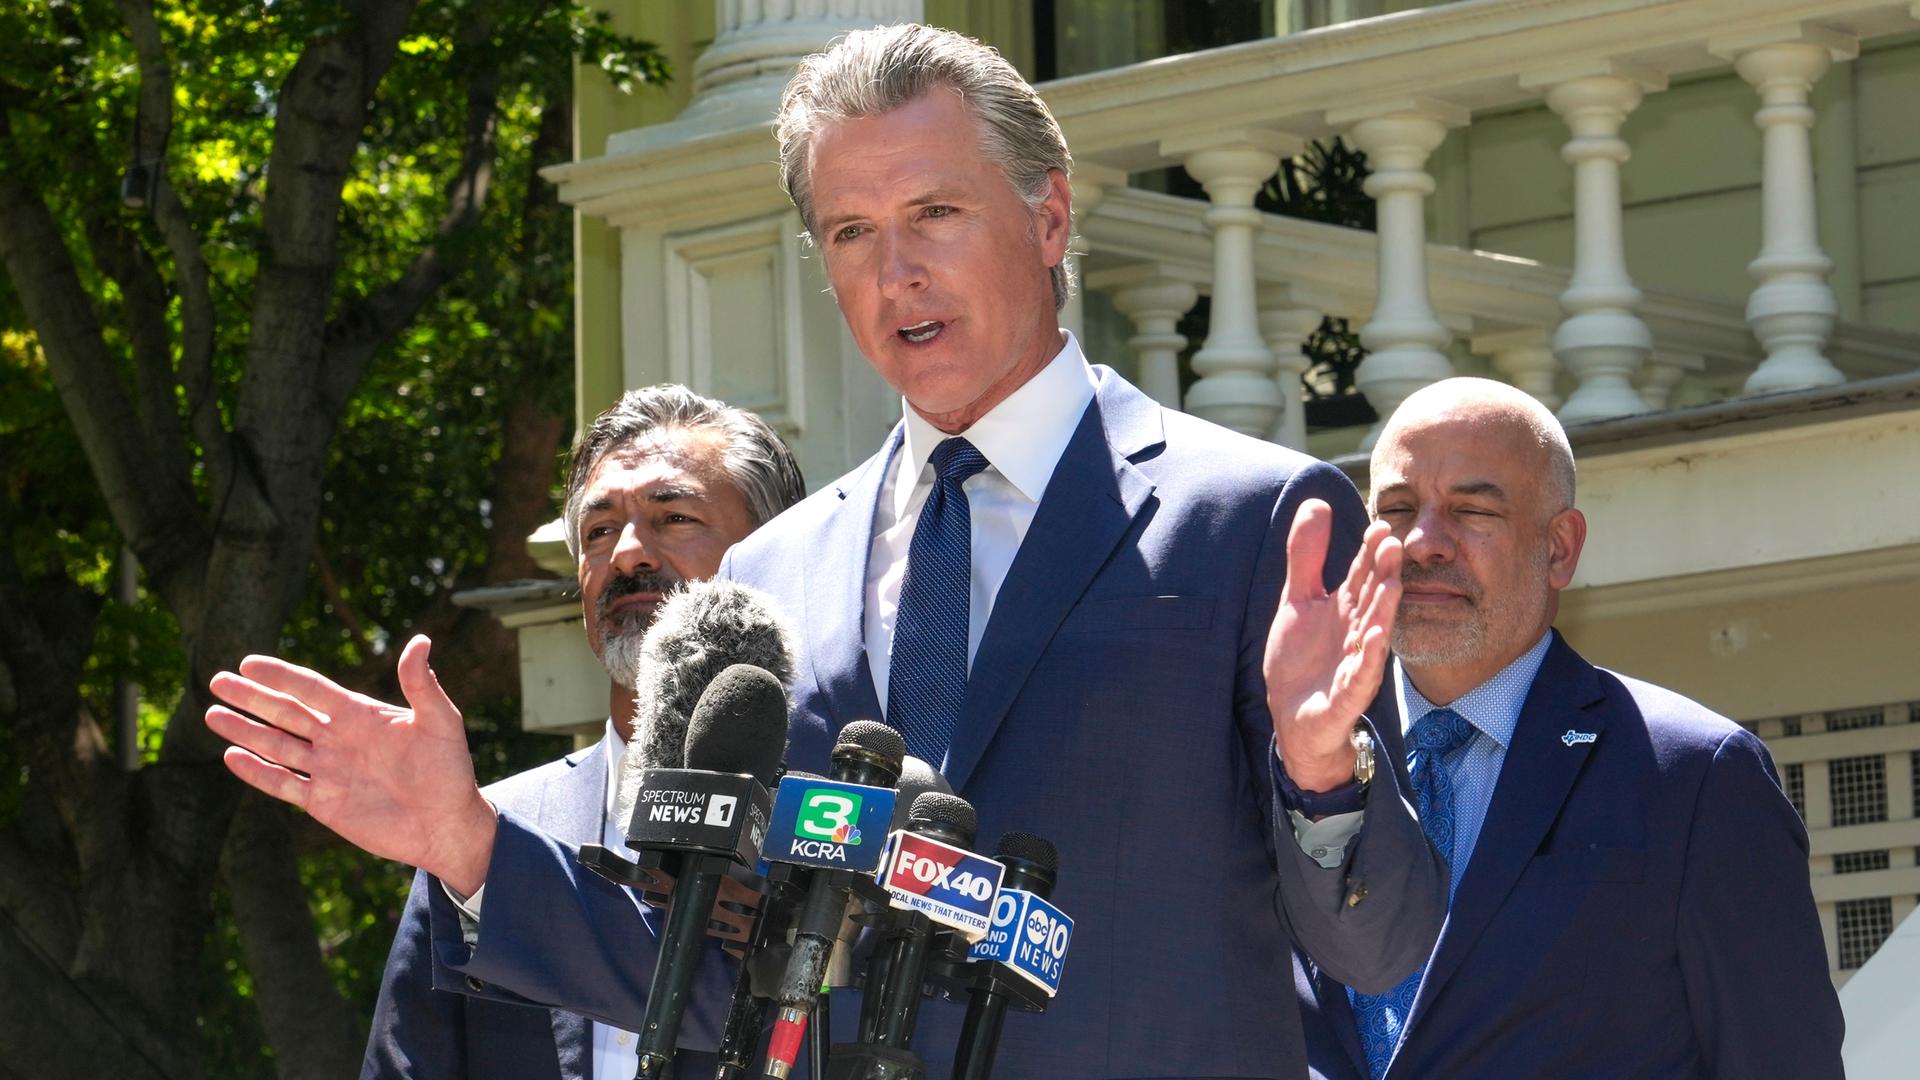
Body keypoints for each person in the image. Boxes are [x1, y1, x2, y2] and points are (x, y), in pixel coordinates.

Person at [207, 24, 1446, 1078]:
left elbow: (1377, 950)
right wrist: (467, 843)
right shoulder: (763, 582)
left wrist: (1322, 775)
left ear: (1050, 215)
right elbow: (711, 983)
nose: (896, 269)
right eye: (851, 233)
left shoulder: (1255, 521)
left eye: (936, 212)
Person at [1287, 377, 1844, 1079]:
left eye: (1470, 509)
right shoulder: (1296, 762)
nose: (1423, 542)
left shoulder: (1695, 777)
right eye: (1398, 508)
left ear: (1559, 549)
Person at [359, 384, 807, 1079]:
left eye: (675, 516)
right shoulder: (486, 828)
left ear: (776, 549)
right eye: (599, 532)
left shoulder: (837, 828)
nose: (628, 554)